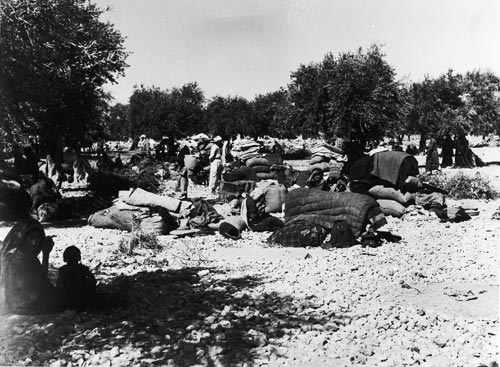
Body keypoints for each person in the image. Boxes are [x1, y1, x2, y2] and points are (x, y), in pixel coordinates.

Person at [0, 218, 65, 314]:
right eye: (31, 238)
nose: (34, 242)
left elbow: (41, 279)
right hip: (21, 304)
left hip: (23, 300)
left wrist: (46, 254)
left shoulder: (27, 256)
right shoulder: (17, 257)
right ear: (23, 239)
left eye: (37, 238)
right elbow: (34, 286)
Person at [56, 246, 96, 311]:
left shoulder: (63, 270)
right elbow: (93, 281)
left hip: (72, 299)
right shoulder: (83, 269)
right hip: (80, 298)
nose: (72, 258)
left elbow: (59, 286)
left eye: (73, 255)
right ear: (79, 257)